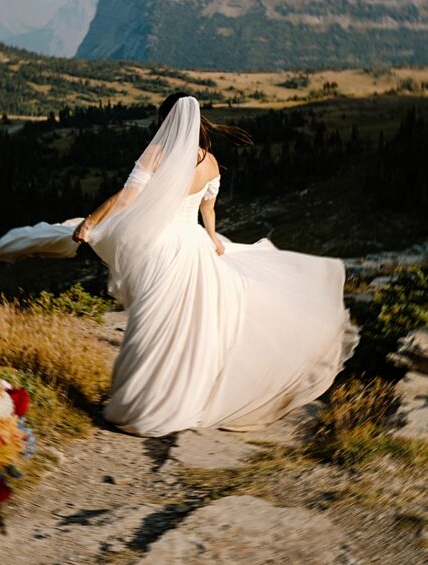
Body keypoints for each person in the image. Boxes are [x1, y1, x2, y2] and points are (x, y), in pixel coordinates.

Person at [71, 93, 358, 437]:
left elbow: (126, 198)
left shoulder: (157, 154)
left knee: (151, 324)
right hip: (192, 247)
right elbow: (208, 208)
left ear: (165, 120)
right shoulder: (209, 161)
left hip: (161, 248)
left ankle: (140, 404)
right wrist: (212, 237)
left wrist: (90, 222)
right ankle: (165, 403)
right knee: (181, 327)